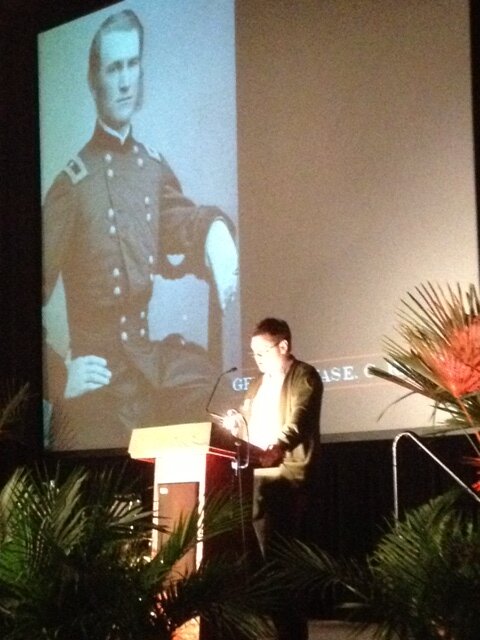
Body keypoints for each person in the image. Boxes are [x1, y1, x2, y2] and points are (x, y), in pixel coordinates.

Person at [42, 9, 238, 450]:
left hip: (148, 360)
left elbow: (179, 223)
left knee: (216, 395)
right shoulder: (72, 186)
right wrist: (59, 375)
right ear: (95, 80)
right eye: (114, 68)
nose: (126, 80)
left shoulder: (151, 167)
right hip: (103, 378)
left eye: (133, 64)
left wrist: (214, 234)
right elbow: (19, 295)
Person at [227, 317, 323, 640]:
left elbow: (300, 420)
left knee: (280, 563)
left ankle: (291, 634)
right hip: (255, 479)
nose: (257, 360)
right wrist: (234, 427)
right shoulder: (256, 384)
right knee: (256, 565)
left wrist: (279, 446)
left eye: (263, 352)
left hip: (286, 480)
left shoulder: (304, 377)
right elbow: (246, 423)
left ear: (284, 346)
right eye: (253, 354)